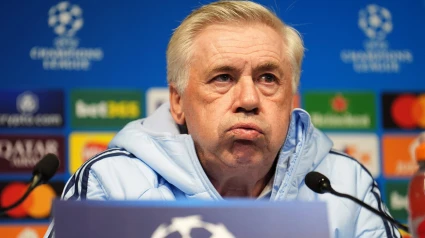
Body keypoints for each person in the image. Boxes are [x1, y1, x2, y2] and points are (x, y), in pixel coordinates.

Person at [45, 1, 401, 237]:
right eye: (223, 78)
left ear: (291, 96)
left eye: (268, 78)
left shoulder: (346, 185)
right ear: (178, 101)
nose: (248, 99)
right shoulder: (110, 184)